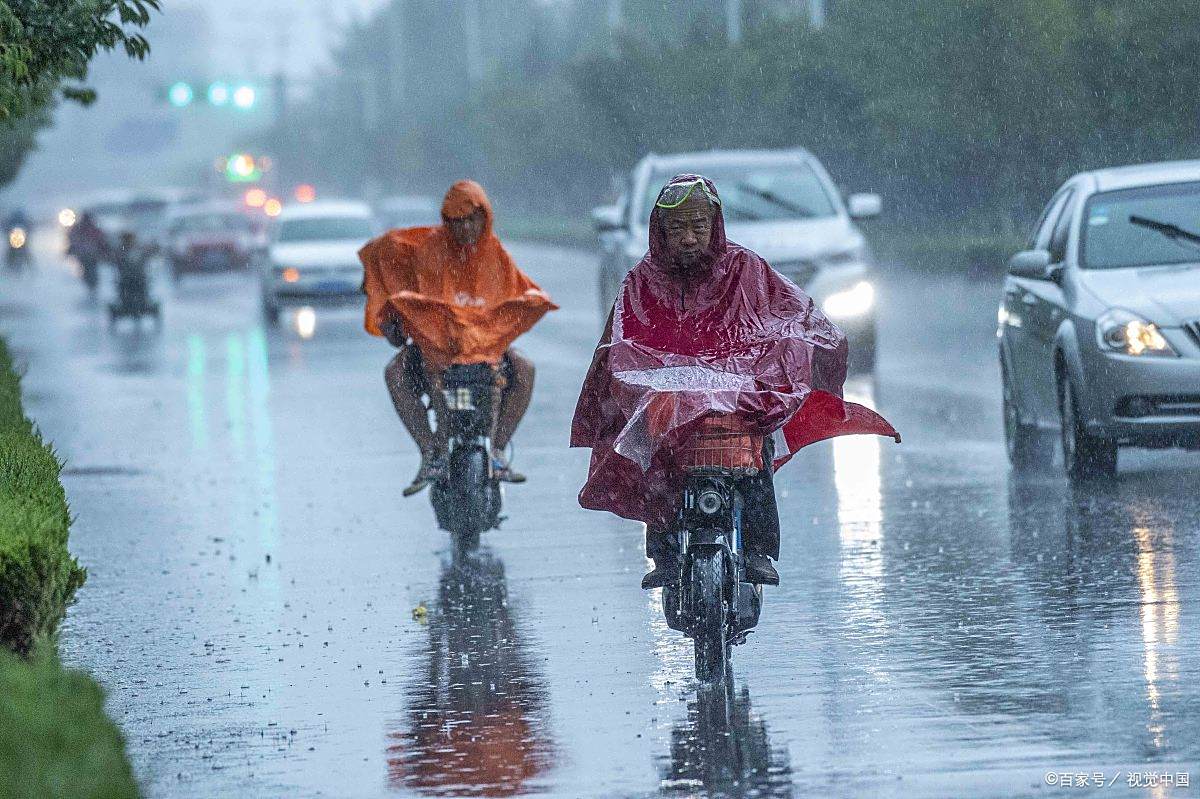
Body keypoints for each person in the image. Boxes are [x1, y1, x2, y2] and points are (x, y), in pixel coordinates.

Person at [571, 174, 899, 589]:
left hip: (736, 389)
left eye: (698, 226)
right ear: (661, 230)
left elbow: (789, 316)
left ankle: (759, 549)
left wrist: (802, 348)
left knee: (754, 444)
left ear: (715, 226)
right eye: (678, 228)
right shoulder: (640, 280)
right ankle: (664, 552)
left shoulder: (747, 269)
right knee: (655, 447)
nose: (689, 238)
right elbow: (622, 344)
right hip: (667, 399)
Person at [360, 180, 557, 497]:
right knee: (395, 373)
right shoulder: (430, 253)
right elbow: (416, 299)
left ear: (485, 218)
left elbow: (515, 295)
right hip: (433, 353)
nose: (465, 228)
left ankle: (497, 449)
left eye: (471, 219)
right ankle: (430, 452)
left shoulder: (497, 257)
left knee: (525, 370)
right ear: (446, 221)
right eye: (457, 221)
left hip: (486, 351)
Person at [67, 212, 108, 293]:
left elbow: (72, 238)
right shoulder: (90, 228)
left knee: (87, 270)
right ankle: (92, 285)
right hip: (90, 255)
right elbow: (101, 238)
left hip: (85, 255)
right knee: (90, 270)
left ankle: (91, 285)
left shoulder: (80, 228)